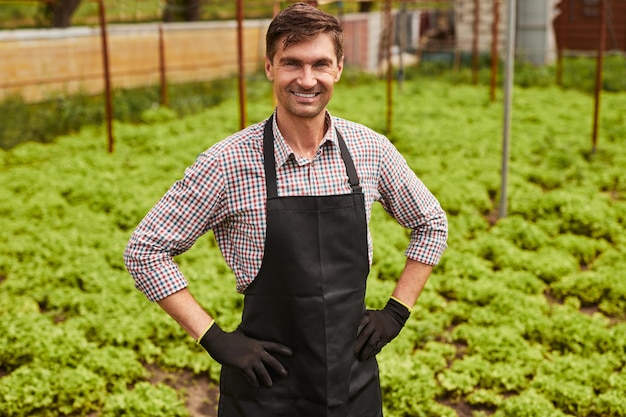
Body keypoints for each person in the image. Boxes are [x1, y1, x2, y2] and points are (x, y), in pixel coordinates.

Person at [124, 3, 448, 416]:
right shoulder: (227, 162)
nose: (307, 79)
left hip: (353, 386)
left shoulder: (370, 150)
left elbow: (431, 223)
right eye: (292, 63)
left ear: (339, 68)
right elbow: (145, 250)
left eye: (320, 64)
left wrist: (396, 313)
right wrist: (214, 338)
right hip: (264, 391)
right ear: (269, 68)